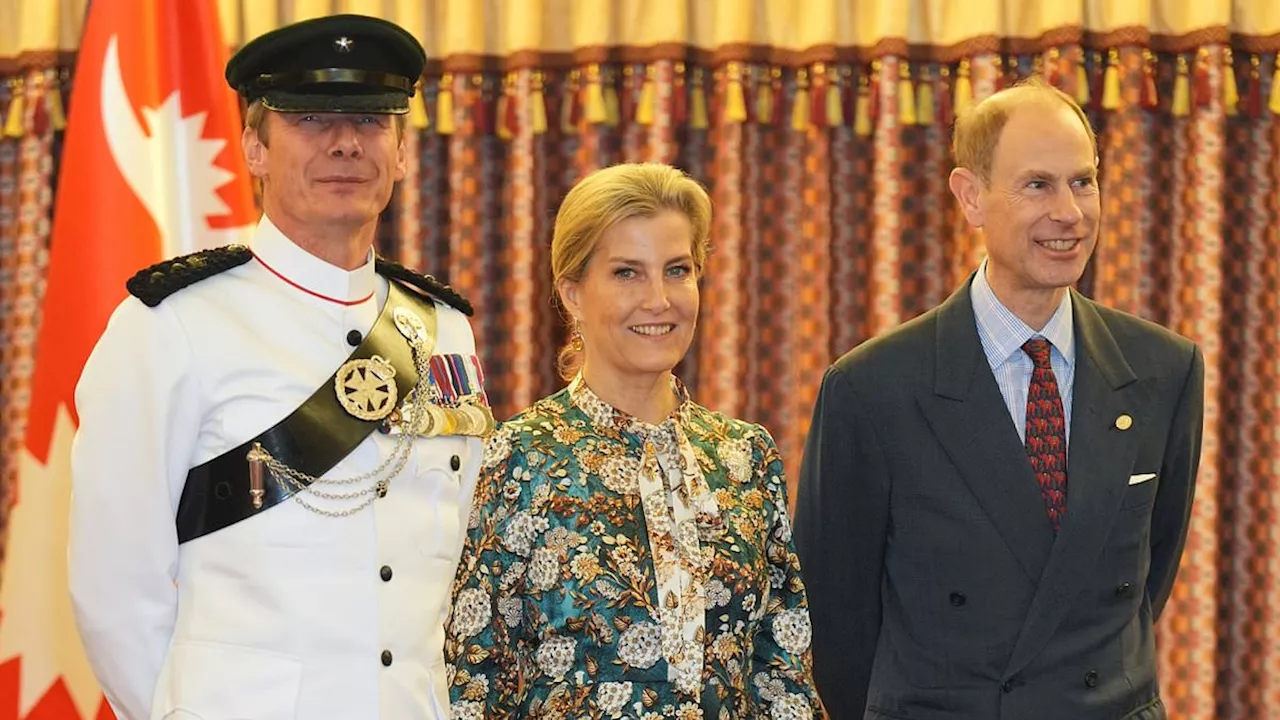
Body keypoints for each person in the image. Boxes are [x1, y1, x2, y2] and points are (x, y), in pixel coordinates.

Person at [68, 14, 492, 720]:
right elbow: (115, 588)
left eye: (373, 121)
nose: (345, 143)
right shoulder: (173, 325)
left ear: (401, 152)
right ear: (254, 149)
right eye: (310, 119)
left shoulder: (443, 328)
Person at [794, 79, 1204, 719]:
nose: (1069, 212)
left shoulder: (1163, 369)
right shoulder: (873, 388)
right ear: (971, 196)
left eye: (1084, 181)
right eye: (1038, 184)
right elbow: (837, 618)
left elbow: (1149, 575)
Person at [444, 162, 823, 718]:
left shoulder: (745, 455)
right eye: (627, 273)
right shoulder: (516, 458)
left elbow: (783, 671)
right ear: (573, 293)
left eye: (677, 270)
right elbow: (474, 678)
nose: (659, 300)